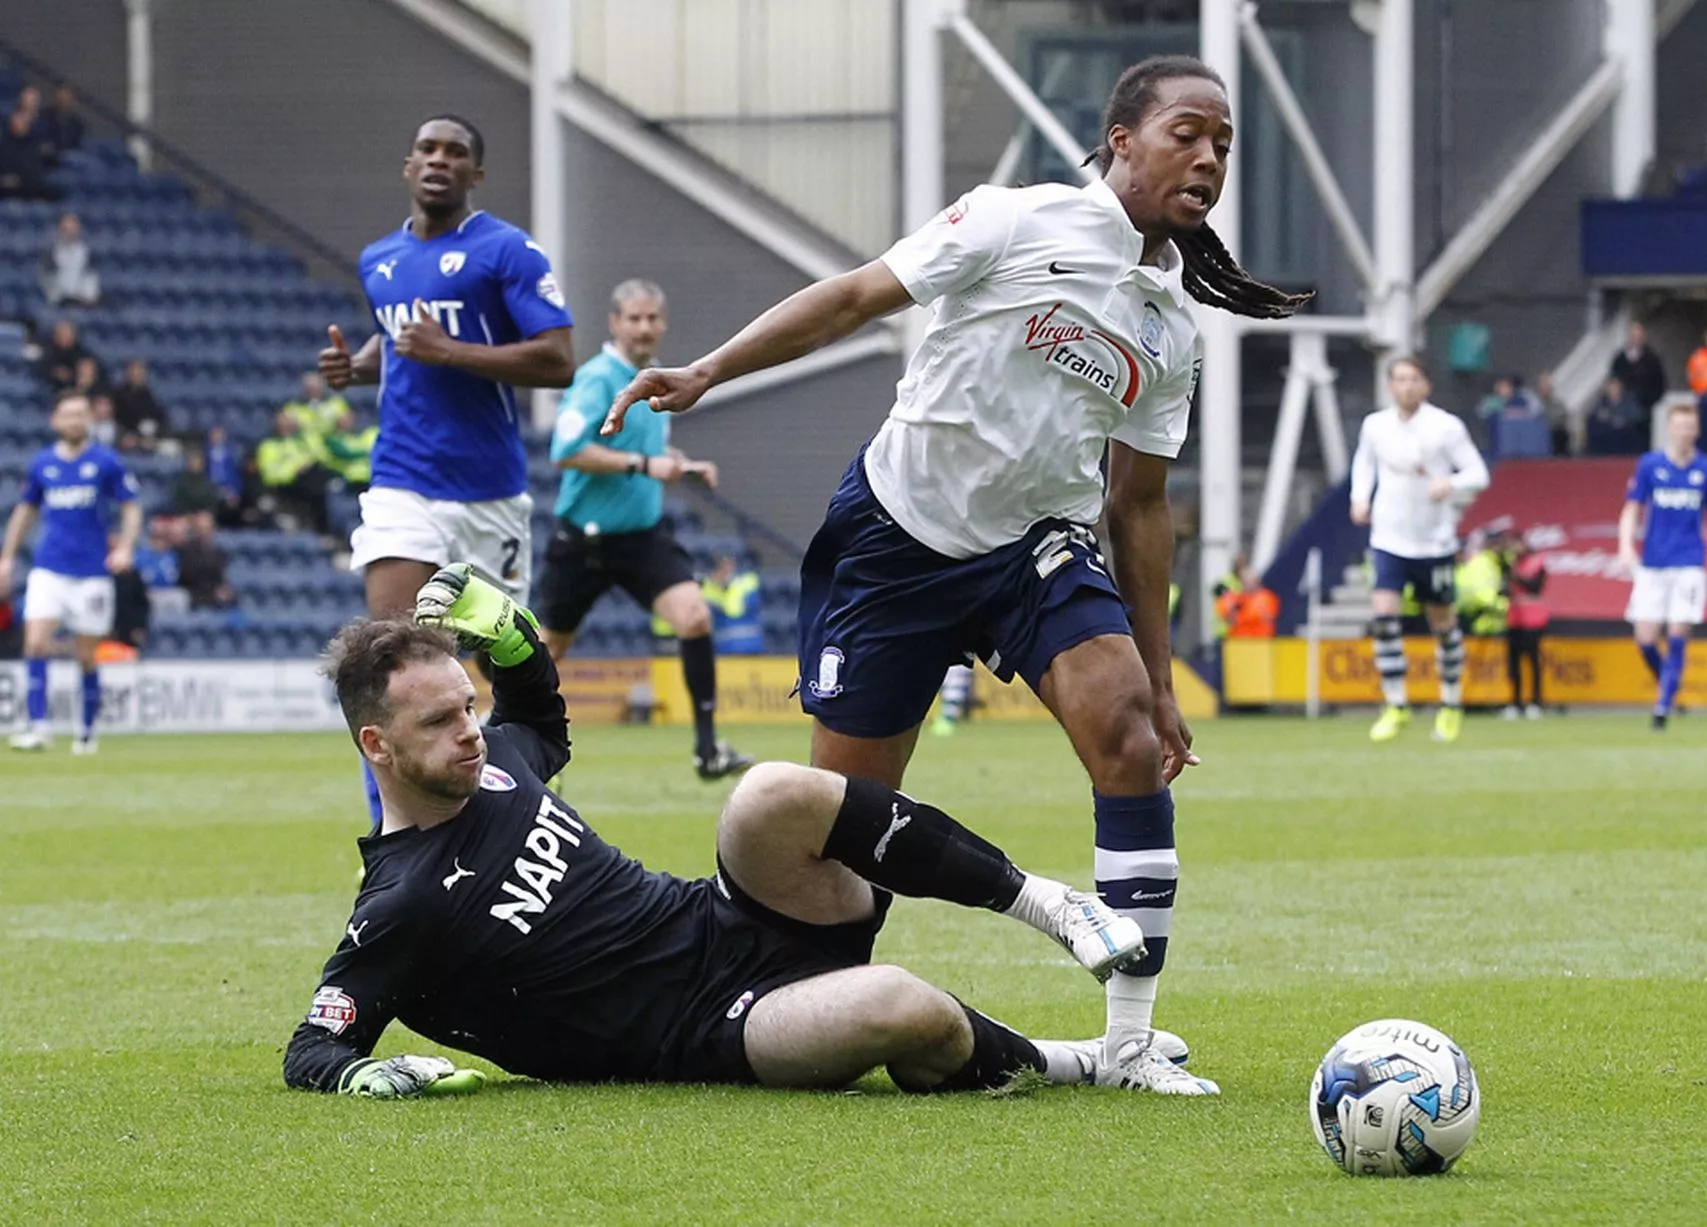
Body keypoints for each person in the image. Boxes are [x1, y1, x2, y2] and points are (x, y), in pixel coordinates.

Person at [600, 55, 1310, 1092]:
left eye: (1222, 146)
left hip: (1035, 550)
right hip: (895, 540)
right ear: (1119, 139)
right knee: (843, 825)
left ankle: (1125, 1045)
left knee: (1123, 738)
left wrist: (1159, 681)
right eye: (1186, 134)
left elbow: (1138, 505)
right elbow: (850, 298)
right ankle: (807, 1004)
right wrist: (710, 370)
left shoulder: (1168, 329)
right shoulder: (1010, 220)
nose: (1206, 157)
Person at [285, 566, 1211, 1099]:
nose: (469, 729)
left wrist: (516, 640)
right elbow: (317, 1044)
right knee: (897, 1002)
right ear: (376, 744)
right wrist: (363, 1075)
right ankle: (1082, 1062)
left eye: (466, 704)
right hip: (713, 1029)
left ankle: (1050, 903)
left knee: (768, 791)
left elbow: (541, 721)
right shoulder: (402, 901)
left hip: (732, 921)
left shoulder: (494, 765)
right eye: (437, 722)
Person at [317, 114, 576, 829]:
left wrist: (452, 351)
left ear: (475, 175)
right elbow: (399, 342)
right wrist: (358, 367)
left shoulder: (507, 252)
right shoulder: (381, 259)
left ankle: (519, 821)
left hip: (489, 493)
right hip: (403, 479)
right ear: (408, 166)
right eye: (427, 149)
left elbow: (558, 358)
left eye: (456, 152)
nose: (439, 160)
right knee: (388, 659)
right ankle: (395, 838)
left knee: (503, 669)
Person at [536, 279, 750, 780]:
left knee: (694, 617)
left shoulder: (656, 379)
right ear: (614, 323)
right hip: (584, 540)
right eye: (634, 318)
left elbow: (648, 456)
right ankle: (503, 736)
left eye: (652, 318)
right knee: (549, 652)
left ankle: (707, 749)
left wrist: (682, 464)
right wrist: (641, 465)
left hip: (642, 537)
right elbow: (565, 451)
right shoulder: (597, 379)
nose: (644, 326)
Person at [1350, 355, 1491, 744]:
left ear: (1426, 385)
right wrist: (1360, 498)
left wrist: (1452, 484)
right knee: (1383, 617)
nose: (1406, 386)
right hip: (1388, 538)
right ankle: (1396, 704)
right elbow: (1363, 464)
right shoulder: (1375, 425)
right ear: (1390, 385)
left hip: (1434, 542)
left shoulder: (1445, 427)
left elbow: (1478, 473)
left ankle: (1450, 704)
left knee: (1442, 625)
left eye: (1413, 379)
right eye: (1399, 379)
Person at [0, 390, 141, 753]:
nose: (75, 420)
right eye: (68, 414)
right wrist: (7, 557)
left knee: (86, 656)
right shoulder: (42, 464)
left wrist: (125, 546)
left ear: (89, 419)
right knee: (35, 643)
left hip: (92, 572)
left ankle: (86, 730)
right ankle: (38, 727)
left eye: (81, 414)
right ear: (55, 420)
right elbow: (24, 511)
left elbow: (131, 507)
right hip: (49, 567)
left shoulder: (106, 462)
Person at [1617, 402, 1707, 730]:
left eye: (1690, 426)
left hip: (1689, 562)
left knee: (1678, 631)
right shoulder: (1650, 465)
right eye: (1679, 426)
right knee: (1644, 637)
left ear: (1696, 430)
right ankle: (1670, 684)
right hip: (1653, 562)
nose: (1684, 432)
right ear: (1670, 428)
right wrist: (1625, 545)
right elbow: (1631, 508)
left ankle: (1662, 708)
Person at [255, 409, 332, 535]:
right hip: (285, 485)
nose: (286, 424)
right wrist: (294, 470)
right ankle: (322, 529)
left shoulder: (304, 440)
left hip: (307, 481)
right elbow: (269, 474)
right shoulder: (268, 446)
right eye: (282, 421)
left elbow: (322, 456)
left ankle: (324, 530)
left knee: (318, 475)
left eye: (288, 420)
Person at [1499, 531, 1549, 720]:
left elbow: (1535, 586)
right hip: (1514, 617)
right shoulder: (1510, 565)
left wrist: (1515, 576)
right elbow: (1503, 588)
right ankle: (1515, 702)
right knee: (1513, 662)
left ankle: (1536, 701)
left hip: (1534, 618)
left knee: (1533, 660)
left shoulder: (1537, 563)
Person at [702, 552, 764, 655]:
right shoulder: (706, 588)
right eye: (722, 567)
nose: (727, 571)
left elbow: (736, 610)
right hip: (722, 650)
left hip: (750, 648)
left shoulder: (747, 582)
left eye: (730, 565)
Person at [175, 510, 233, 609]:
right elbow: (187, 576)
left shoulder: (217, 553)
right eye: (200, 529)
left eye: (207, 528)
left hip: (214, 594)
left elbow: (220, 577)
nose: (204, 532)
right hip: (194, 593)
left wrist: (223, 589)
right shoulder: (185, 551)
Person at [40, 211, 100, 306]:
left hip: (82, 301)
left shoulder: (86, 252)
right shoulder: (51, 252)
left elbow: (91, 276)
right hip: (58, 301)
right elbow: (46, 278)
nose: (69, 232)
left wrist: (88, 297)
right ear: (60, 230)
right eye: (66, 229)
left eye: (72, 229)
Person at [1609, 322, 1666, 417]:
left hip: (1645, 409)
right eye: (1633, 336)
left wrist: (1650, 402)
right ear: (1628, 337)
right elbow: (1613, 381)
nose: (1636, 339)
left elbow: (1659, 382)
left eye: (1639, 336)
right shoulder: (1619, 359)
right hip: (1622, 409)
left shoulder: (1652, 359)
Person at [1213, 557, 1278, 639]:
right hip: (1238, 642)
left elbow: (1258, 616)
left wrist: (1240, 617)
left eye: (1250, 581)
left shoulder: (1266, 597)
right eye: (1245, 582)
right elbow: (1226, 613)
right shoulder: (1234, 596)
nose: (1247, 585)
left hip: (1260, 643)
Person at [0, 107, 55, 202]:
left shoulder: (33, 146)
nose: (18, 122)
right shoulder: (3, 145)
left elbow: (34, 173)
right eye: (16, 119)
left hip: (28, 191)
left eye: (22, 120)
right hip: (5, 195)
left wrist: (19, 180)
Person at [113, 359, 166, 452]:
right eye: (133, 371)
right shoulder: (118, 395)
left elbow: (159, 420)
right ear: (127, 373)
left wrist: (147, 436)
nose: (135, 374)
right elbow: (116, 419)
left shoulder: (150, 396)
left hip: (145, 435)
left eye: (139, 372)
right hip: (123, 435)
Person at [1587, 376, 1646, 456]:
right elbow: (1597, 416)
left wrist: (1621, 419)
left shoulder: (1629, 400)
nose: (1612, 389)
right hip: (1609, 434)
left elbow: (1637, 416)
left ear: (1620, 386)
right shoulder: (1603, 402)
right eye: (1609, 386)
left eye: (1614, 385)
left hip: (1625, 434)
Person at [34, 319, 91, 390]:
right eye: (61, 334)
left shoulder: (82, 353)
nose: (64, 337)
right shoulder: (46, 349)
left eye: (67, 334)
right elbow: (41, 369)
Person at [42, 84, 83, 162]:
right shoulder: (44, 116)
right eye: (62, 98)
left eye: (68, 98)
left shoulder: (78, 125)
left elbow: (76, 145)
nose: (64, 101)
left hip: (68, 160)